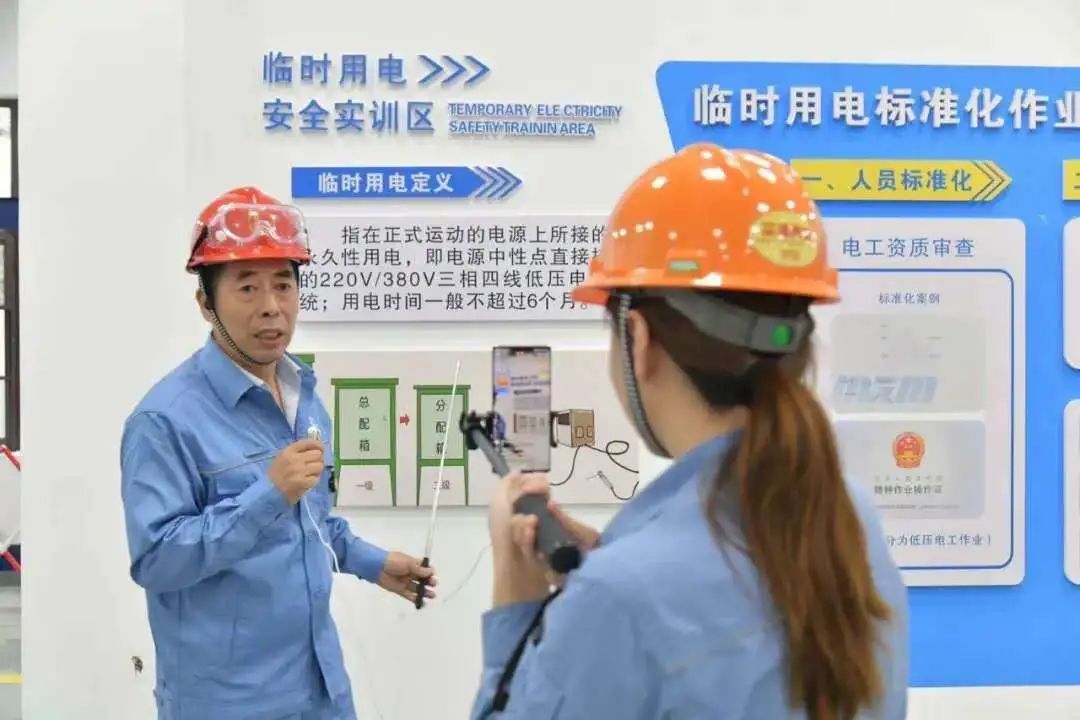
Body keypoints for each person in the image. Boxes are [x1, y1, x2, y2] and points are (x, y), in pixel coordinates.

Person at [471, 144, 909, 719]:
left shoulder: (620, 598)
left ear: (637, 338)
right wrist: (612, 559)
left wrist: (517, 592)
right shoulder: (850, 519)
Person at [120, 187, 437, 720]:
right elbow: (156, 560)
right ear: (206, 304)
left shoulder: (302, 394)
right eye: (247, 287)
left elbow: (310, 523)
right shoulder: (164, 421)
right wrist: (267, 494)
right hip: (228, 704)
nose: (271, 305)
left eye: (283, 284)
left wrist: (373, 563)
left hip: (321, 689)